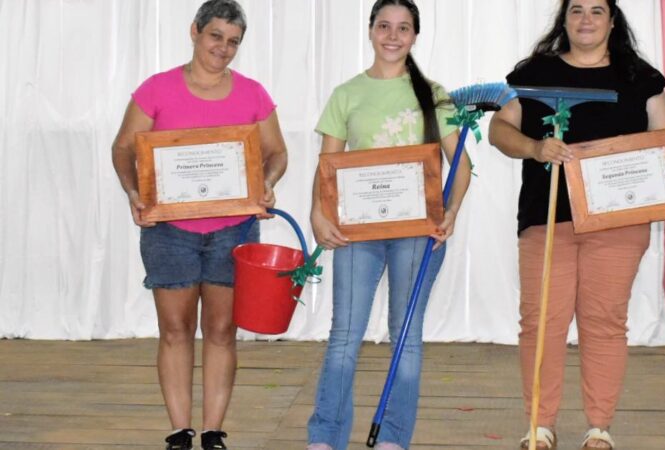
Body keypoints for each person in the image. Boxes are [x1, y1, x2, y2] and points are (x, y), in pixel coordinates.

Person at [488, 1, 665, 449]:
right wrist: (534, 147)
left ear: (612, 20)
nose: (586, 19)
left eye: (597, 10)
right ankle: (538, 427)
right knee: (542, 322)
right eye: (577, 10)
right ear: (563, 20)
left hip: (618, 223)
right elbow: (500, 130)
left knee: (604, 322)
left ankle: (599, 427)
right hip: (547, 219)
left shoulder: (639, 78)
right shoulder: (534, 72)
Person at [110, 1, 288, 449]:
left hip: (235, 228)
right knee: (174, 329)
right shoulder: (156, 89)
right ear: (195, 32)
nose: (223, 49)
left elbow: (277, 153)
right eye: (216, 37)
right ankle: (179, 431)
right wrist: (134, 192)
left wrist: (265, 185)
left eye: (233, 42)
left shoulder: (253, 94)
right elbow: (122, 149)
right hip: (169, 230)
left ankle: (212, 431)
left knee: (223, 330)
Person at [305, 1, 471, 449]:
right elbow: (328, 165)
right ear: (371, 30)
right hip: (358, 230)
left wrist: (450, 212)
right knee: (345, 334)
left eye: (403, 28)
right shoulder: (346, 94)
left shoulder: (435, 95)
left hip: (419, 233)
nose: (392, 35)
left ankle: (394, 438)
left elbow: (462, 165)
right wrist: (318, 213)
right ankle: (325, 436)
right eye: (384, 26)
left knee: (406, 337)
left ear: (415, 35)